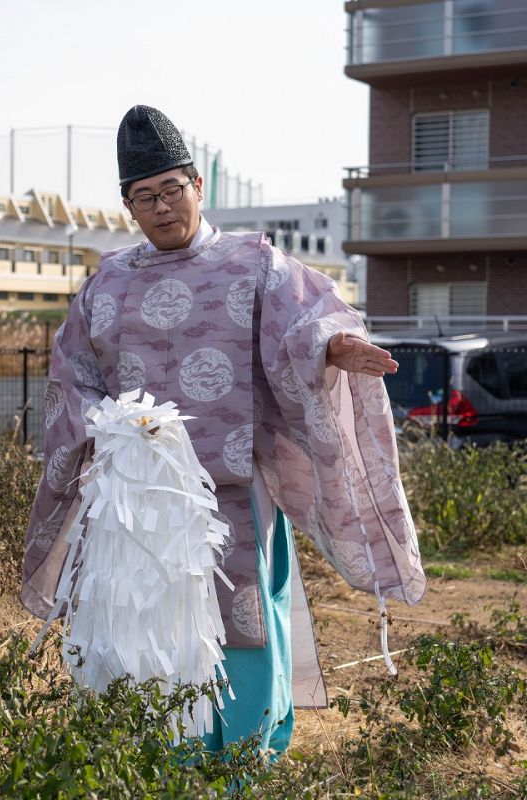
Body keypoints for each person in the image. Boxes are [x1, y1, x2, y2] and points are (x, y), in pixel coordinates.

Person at [22, 105, 426, 756]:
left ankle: (243, 758)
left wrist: (334, 346)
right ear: (128, 207)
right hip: (139, 498)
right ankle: (148, 754)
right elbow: (73, 373)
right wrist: (107, 422)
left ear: (198, 187)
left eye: (172, 189)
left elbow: (307, 320)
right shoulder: (109, 280)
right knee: (141, 620)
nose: (161, 207)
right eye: (144, 196)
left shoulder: (253, 264)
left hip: (233, 488)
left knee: (243, 622)